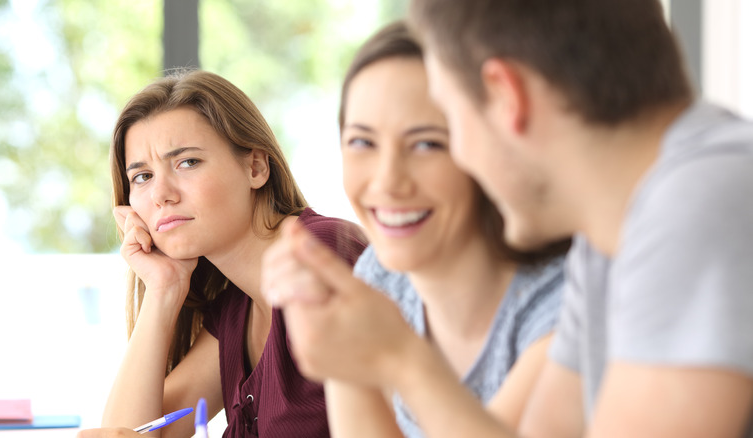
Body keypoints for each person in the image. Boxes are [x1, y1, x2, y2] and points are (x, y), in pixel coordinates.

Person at [266, 1, 753, 437]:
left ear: (505, 95)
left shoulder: (697, 202)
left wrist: (402, 361)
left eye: (445, 126)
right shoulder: (607, 239)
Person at [263, 21, 568, 438]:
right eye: (362, 142)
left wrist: (398, 354)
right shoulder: (380, 276)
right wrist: (338, 347)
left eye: (426, 144)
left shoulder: (564, 301)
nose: (388, 181)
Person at [77, 69, 367, 438]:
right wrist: (164, 288)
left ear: (255, 167)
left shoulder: (322, 256)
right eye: (142, 177)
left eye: (187, 162)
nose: (161, 194)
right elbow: (136, 433)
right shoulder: (235, 307)